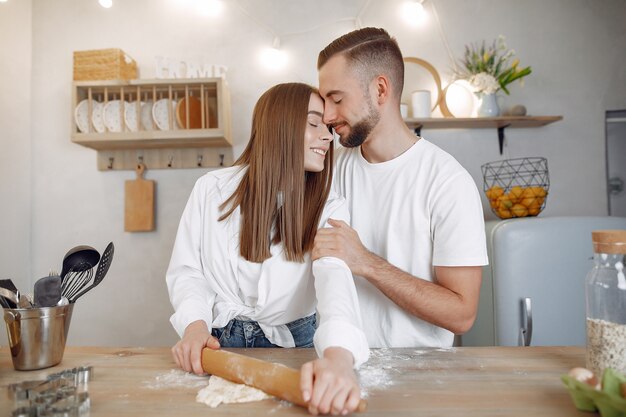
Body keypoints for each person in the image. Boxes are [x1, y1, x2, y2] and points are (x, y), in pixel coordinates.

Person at [166, 82, 369, 415]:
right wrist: (195, 326)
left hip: (297, 347)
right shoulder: (211, 190)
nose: (328, 137)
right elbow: (189, 271)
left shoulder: (330, 206)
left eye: (328, 127)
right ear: (281, 125)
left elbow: (334, 278)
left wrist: (339, 357)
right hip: (217, 348)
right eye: (314, 123)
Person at [313, 27, 488, 348]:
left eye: (336, 99)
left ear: (380, 90)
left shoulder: (448, 182)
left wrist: (366, 262)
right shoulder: (329, 169)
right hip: (338, 364)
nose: (327, 114)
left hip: (421, 375)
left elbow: (462, 314)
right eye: (324, 100)